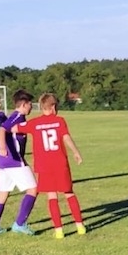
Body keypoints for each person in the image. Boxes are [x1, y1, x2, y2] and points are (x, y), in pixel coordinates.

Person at [22, 93, 85, 238]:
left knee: (52, 196)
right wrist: (76, 152)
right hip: (60, 163)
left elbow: (14, 128)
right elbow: (66, 137)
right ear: (53, 107)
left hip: (44, 165)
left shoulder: (35, 123)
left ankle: (58, 230)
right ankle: (80, 225)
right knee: (69, 193)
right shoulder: (59, 121)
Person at [0, 90, 39, 236]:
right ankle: (20, 224)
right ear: (24, 104)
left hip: (3, 162)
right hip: (13, 160)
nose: (31, 107)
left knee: (3, 192)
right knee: (33, 189)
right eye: (30, 104)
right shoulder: (17, 116)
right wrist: (3, 148)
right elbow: (2, 130)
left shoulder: (17, 117)